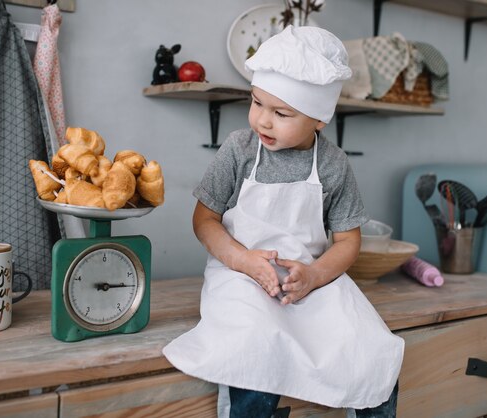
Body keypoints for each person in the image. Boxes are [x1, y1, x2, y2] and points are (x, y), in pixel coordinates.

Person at [163, 25, 404, 418]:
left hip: (311, 278)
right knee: (255, 345)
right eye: (257, 103)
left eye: (281, 113)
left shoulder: (332, 165)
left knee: (372, 347)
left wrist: (312, 277)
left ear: (319, 119)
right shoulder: (239, 150)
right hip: (240, 274)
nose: (264, 121)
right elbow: (205, 220)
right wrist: (245, 262)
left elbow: (347, 242)